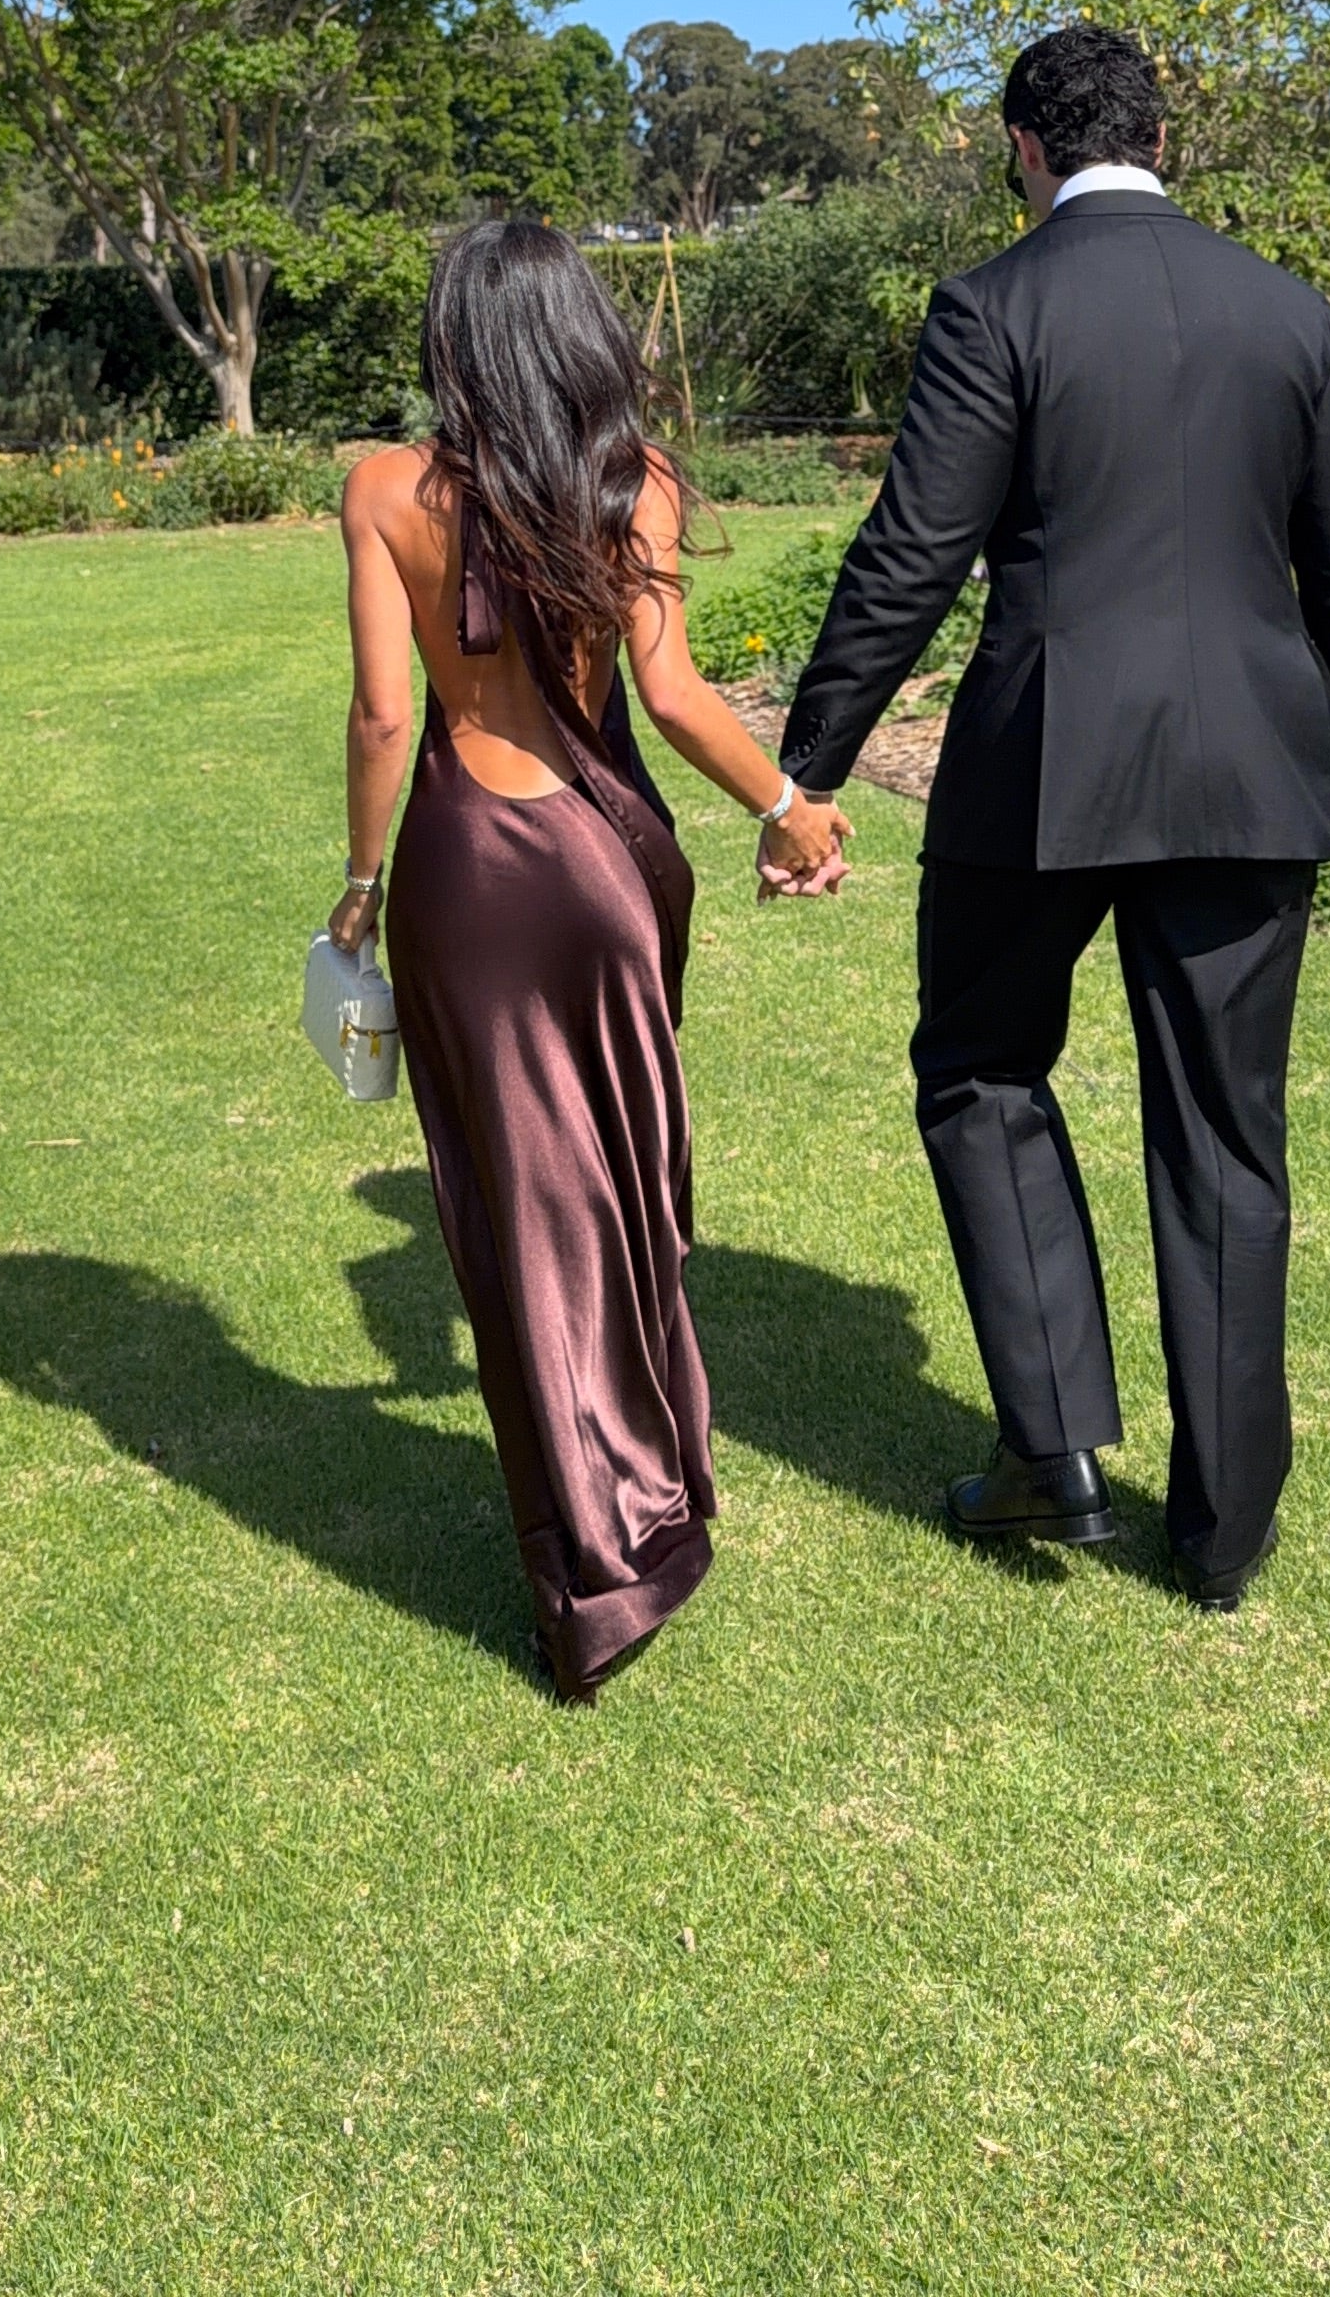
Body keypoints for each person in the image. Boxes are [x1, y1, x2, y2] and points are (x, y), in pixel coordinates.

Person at [777, 25, 1330, 1611]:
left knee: (981, 1068)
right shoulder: (1286, 308)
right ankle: (1226, 1537)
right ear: (1161, 134)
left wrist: (813, 766)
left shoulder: (997, 305)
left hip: (1041, 768)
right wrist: (1319, 745)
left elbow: (915, 551)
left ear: (1023, 146)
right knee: (1227, 1132)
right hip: (1255, 774)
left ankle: (1052, 1455)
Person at [329, 220, 852, 1698]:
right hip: (612, 866)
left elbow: (385, 716)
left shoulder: (385, 490)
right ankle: (656, 1481)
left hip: (467, 870)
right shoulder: (638, 484)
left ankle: (592, 1569)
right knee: (629, 1181)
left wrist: (360, 886)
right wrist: (789, 808)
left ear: (453, 339)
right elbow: (669, 693)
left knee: (517, 1210)